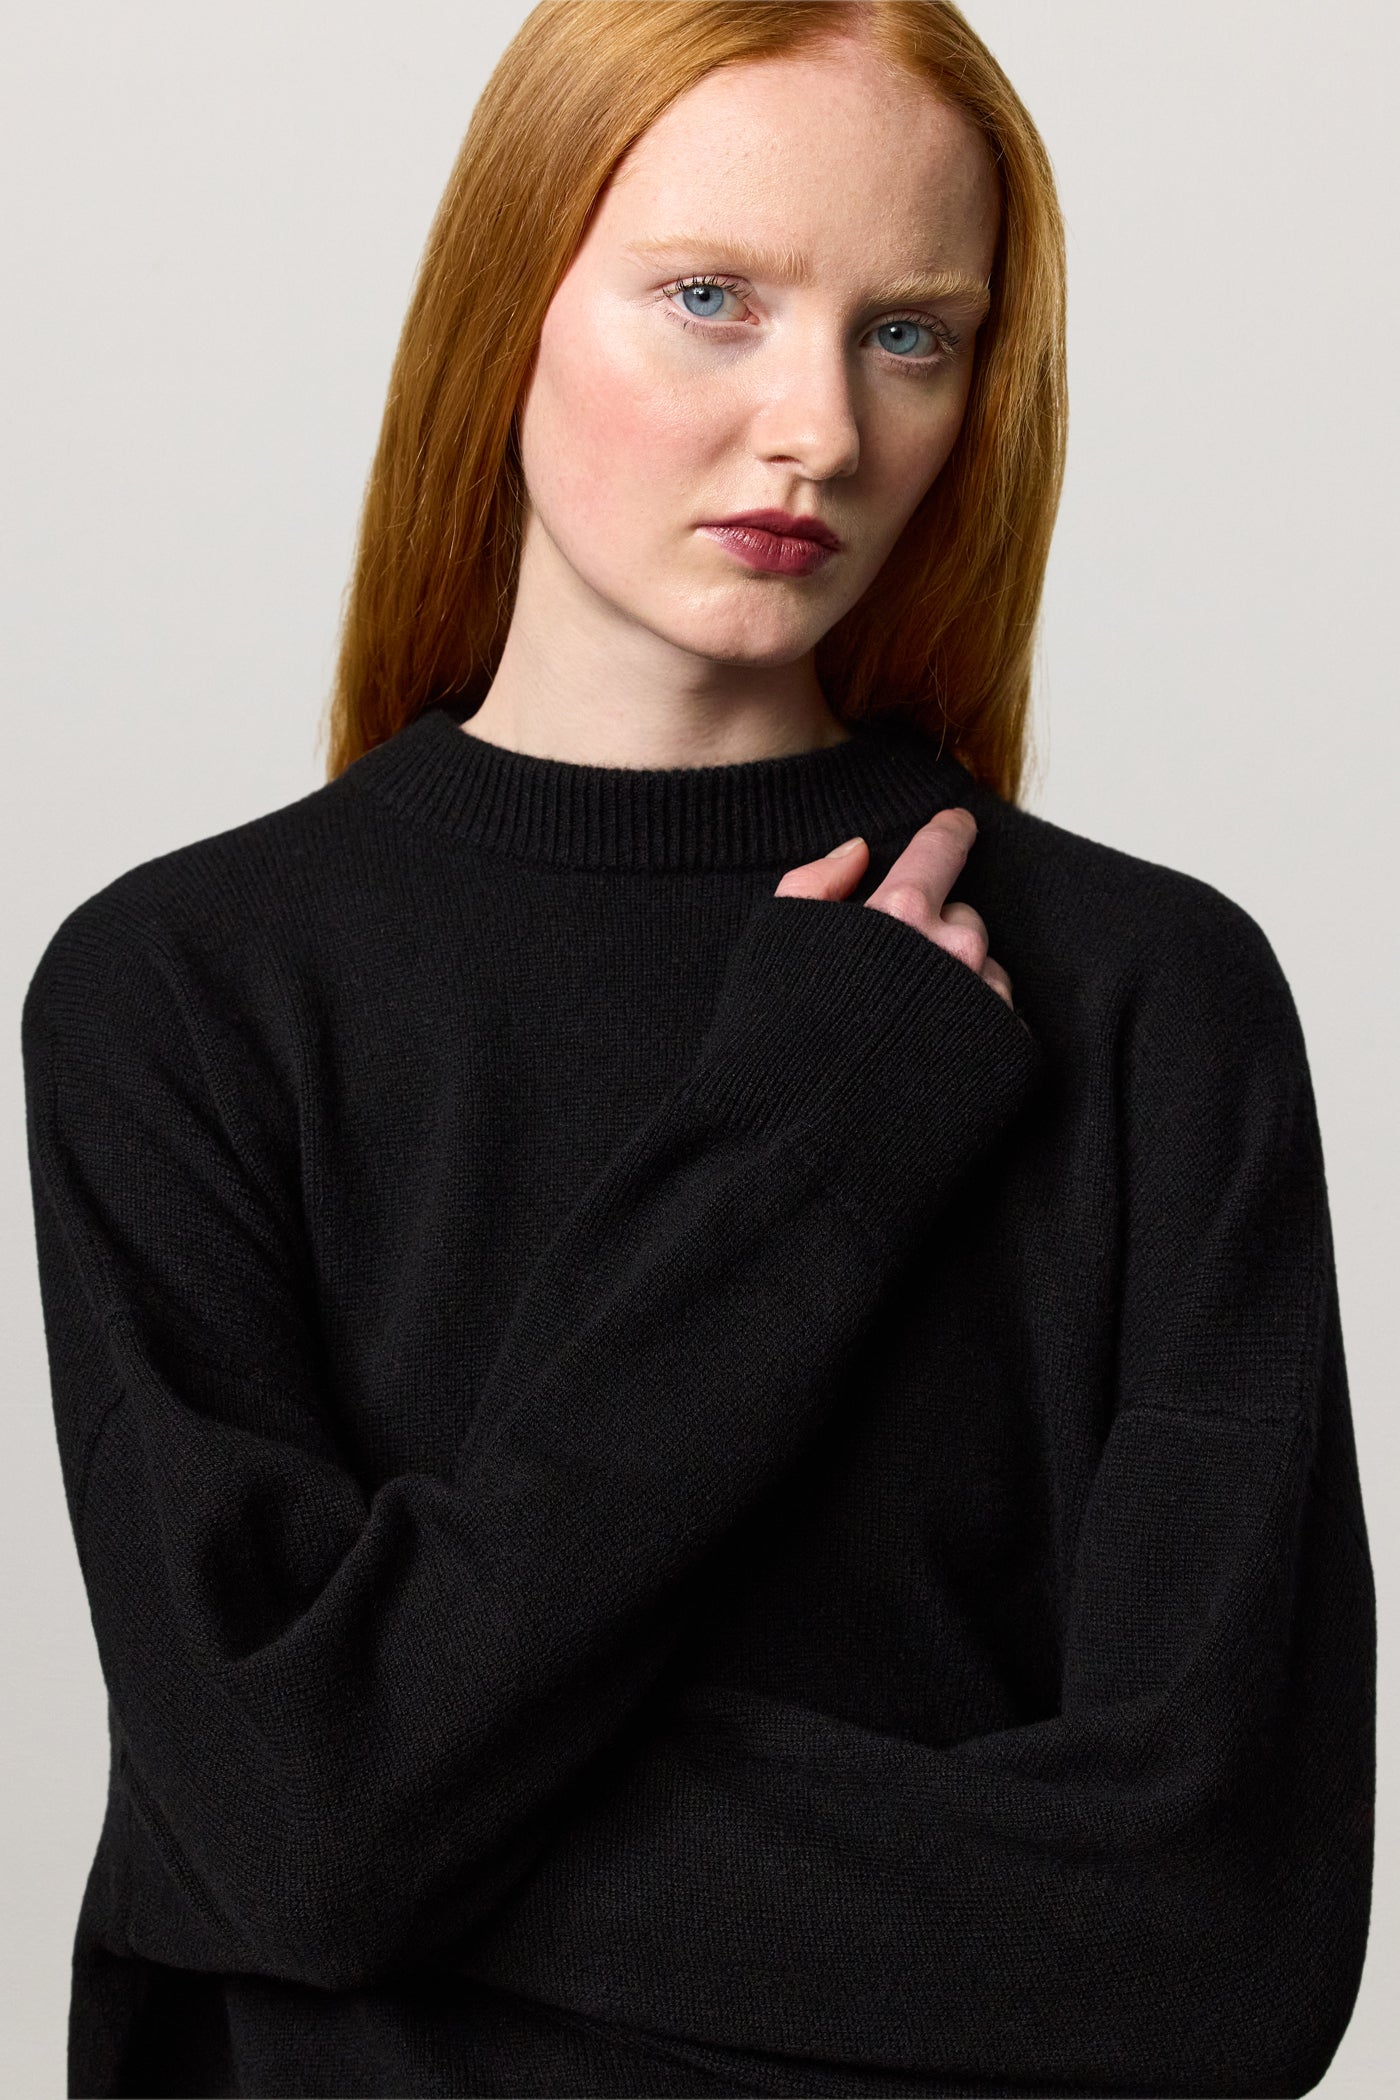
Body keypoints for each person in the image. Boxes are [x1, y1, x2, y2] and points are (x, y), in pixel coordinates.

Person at [20, 3, 1375, 2096]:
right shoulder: (183, 992)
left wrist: (348, 1792)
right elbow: (294, 1826)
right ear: (508, 303)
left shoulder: (1145, 998)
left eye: (907, 334)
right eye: (712, 299)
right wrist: (810, 1152)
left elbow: (1219, 1944)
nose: (817, 428)